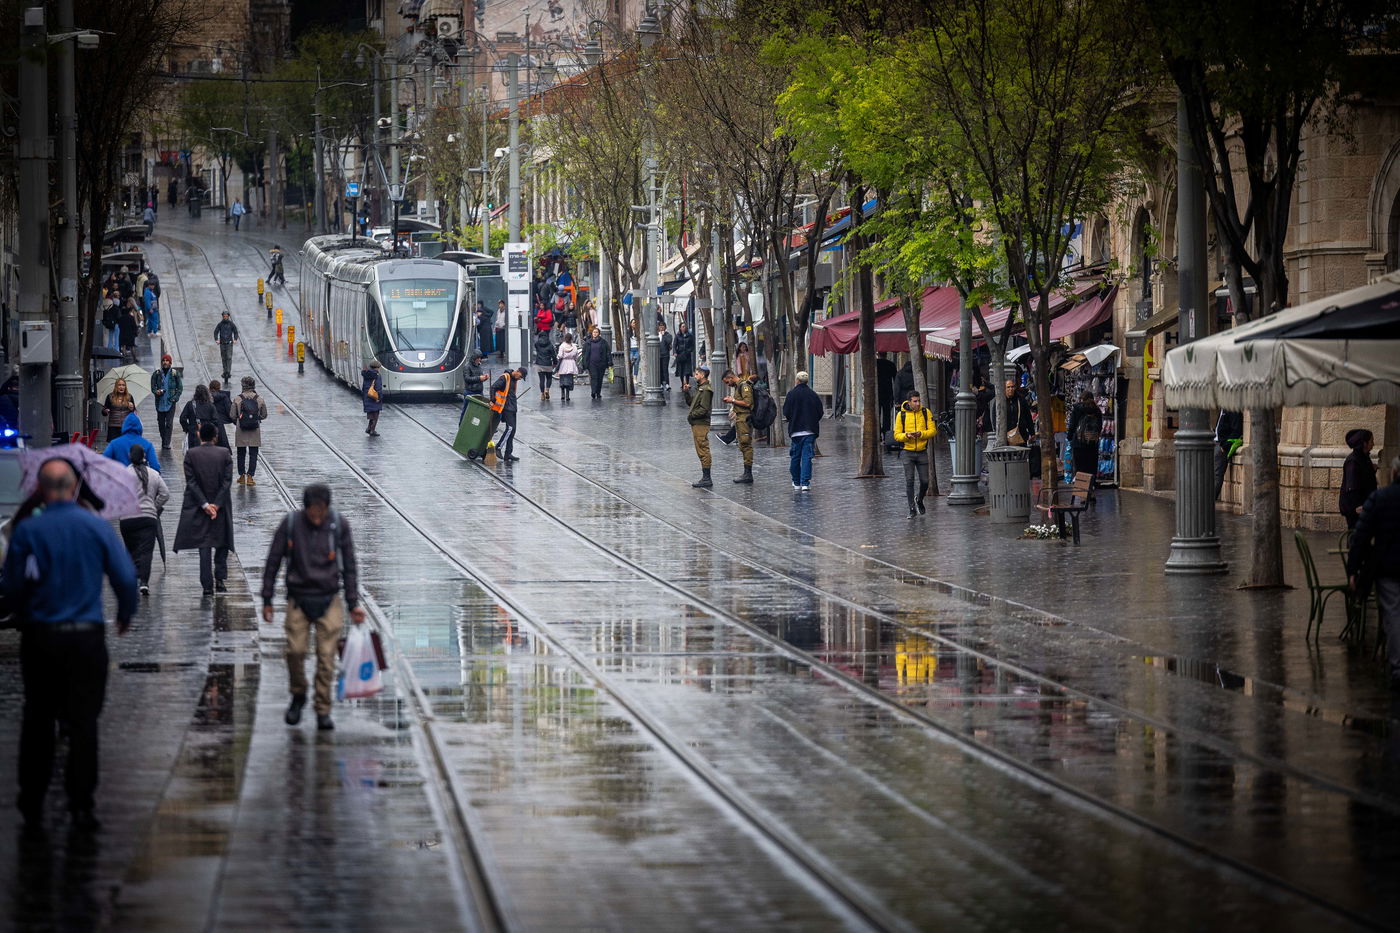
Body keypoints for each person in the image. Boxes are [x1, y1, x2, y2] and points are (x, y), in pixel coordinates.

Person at [3, 458, 139, 831]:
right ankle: (82, 802)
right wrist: (126, 614)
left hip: (41, 637)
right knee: (83, 722)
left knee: (38, 718)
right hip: (86, 637)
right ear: (74, 488)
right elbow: (126, 578)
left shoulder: (28, 530)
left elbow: (12, 588)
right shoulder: (95, 526)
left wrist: (22, 613)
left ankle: (32, 801)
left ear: (43, 489)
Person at [261, 483, 364, 731]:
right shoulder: (291, 525)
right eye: (313, 512)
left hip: (329, 599)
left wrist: (353, 603)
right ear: (305, 508)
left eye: (321, 511)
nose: (317, 517)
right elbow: (273, 561)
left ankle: (322, 708)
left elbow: (349, 566)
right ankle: (299, 694)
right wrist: (267, 599)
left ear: (327, 508)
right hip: (298, 598)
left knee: (326, 658)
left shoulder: (339, 525)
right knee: (295, 652)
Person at [1347, 456, 1400, 690]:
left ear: (1394, 474)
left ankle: (1398, 666)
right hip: (1389, 566)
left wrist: (1353, 570)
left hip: (1389, 567)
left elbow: (1360, 537)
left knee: (1393, 614)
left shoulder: (1380, 498)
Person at [173, 422, 235, 597]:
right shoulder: (224, 454)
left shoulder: (191, 455)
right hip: (221, 507)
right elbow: (227, 481)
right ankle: (220, 580)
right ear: (215, 437)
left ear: (200, 435)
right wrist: (217, 504)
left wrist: (205, 505)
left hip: (199, 508)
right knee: (221, 542)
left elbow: (191, 482)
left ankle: (207, 585)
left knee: (204, 544)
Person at [120, 445, 169, 596]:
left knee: (131, 550)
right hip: (148, 519)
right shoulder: (154, 474)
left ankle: (131, 578)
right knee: (146, 551)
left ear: (130, 456)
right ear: (144, 457)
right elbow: (165, 493)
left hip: (128, 519)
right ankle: (144, 582)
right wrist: (154, 507)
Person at [895, 391, 937, 518]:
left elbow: (933, 431)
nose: (918, 403)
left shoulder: (925, 412)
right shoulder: (901, 415)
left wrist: (921, 434)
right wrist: (907, 436)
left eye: (919, 401)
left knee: (925, 481)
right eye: (915, 401)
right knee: (909, 481)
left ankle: (919, 500)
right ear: (909, 402)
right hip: (907, 452)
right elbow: (896, 435)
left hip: (922, 451)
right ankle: (911, 509)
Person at [783, 371, 823, 491]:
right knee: (807, 457)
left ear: (797, 381)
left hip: (795, 430)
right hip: (810, 431)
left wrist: (792, 419)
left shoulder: (791, 394)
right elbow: (820, 412)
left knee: (795, 457)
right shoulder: (813, 394)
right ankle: (805, 483)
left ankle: (796, 482)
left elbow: (786, 412)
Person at [231, 376, 268, 486]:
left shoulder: (237, 399)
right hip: (254, 430)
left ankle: (242, 476)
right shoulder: (259, 399)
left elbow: (232, 415)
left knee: (241, 453)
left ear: (243, 386)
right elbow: (264, 415)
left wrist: (239, 420)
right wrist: (256, 418)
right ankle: (250, 477)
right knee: (253, 453)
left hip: (241, 429)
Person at [721, 369, 755, 484]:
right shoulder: (737, 386)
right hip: (740, 418)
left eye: (727, 382)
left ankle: (748, 473)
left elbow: (748, 403)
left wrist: (733, 400)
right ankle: (746, 472)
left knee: (746, 444)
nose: (728, 384)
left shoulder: (744, 385)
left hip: (745, 418)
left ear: (731, 377)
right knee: (742, 445)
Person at [1340, 428, 1377, 529]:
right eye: (1371, 441)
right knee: (1355, 536)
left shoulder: (1363, 458)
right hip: (1356, 508)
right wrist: (1356, 506)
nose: (1373, 444)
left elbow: (1363, 477)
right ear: (1364, 443)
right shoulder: (1353, 461)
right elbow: (1352, 486)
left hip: (1364, 505)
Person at [1065, 391, 1103, 487]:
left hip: (1079, 443)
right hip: (1092, 444)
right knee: (1091, 467)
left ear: (1082, 399)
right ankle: (1091, 489)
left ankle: (1082, 491)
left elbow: (1072, 425)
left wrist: (1069, 437)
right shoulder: (1097, 410)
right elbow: (1100, 427)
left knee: (1080, 468)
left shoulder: (1077, 409)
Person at [491, 366, 527, 462]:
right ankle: (498, 447)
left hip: (512, 408)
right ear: (517, 372)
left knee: (513, 430)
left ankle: (508, 453)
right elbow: (493, 387)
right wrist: (492, 399)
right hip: (506, 408)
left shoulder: (514, 380)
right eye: (521, 376)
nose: (520, 379)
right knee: (510, 428)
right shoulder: (505, 377)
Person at [689, 366, 716, 488]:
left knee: (703, 449)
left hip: (701, 423)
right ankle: (705, 477)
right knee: (700, 449)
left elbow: (704, 409)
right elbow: (691, 403)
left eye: (697, 374)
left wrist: (692, 415)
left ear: (703, 375)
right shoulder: (700, 389)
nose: (695, 376)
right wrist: (686, 392)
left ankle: (707, 478)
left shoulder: (705, 390)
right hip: (697, 423)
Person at [151, 354, 183, 449]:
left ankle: (167, 442)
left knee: (169, 423)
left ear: (170, 362)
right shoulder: (156, 374)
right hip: (160, 402)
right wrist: (156, 392)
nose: (165, 362)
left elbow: (180, 388)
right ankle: (163, 439)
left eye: (167, 360)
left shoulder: (175, 374)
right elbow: (153, 387)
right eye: (163, 360)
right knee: (161, 423)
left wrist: (175, 398)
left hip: (170, 402)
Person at [178, 383, 220, 451]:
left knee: (194, 454)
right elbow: (215, 421)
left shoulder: (190, 404)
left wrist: (187, 428)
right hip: (207, 435)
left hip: (193, 433)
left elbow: (182, 418)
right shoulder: (211, 406)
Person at [1213, 409, 1244, 501]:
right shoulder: (1223, 409)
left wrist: (1225, 446)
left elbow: (1237, 431)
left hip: (1221, 446)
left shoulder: (1232, 409)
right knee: (1210, 474)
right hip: (1215, 443)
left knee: (1217, 474)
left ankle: (1210, 501)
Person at [997, 379, 1033, 446]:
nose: (1010, 389)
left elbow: (1028, 417)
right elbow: (995, 417)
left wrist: (1032, 433)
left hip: (1020, 434)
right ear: (1004, 389)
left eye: (1012, 387)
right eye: (1008, 387)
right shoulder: (1000, 401)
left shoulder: (1021, 400)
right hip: (1005, 436)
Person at [101, 378, 137, 443]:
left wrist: (132, 408)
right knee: (114, 447)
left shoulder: (129, 397)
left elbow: (135, 413)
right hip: (113, 426)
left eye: (123, 385)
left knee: (125, 447)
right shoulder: (110, 396)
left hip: (126, 426)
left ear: (125, 387)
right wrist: (106, 411)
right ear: (116, 386)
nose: (121, 387)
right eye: (119, 385)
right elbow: (103, 411)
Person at [460, 351, 490, 420]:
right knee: (466, 411)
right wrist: (479, 378)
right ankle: (462, 425)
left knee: (481, 411)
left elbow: (479, 378)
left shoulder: (478, 366)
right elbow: (467, 379)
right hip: (470, 392)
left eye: (480, 358)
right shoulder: (467, 366)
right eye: (478, 358)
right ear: (474, 358)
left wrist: (484, 378)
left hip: (479, 391)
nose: (480, 359)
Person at [583, 325, 610, 399]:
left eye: (596, 332)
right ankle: (593, 391)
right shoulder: (588, 343)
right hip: (592, 364)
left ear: (599, 333)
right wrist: (584, 363)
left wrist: (609, 362)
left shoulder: (603, 342)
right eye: (594, 332)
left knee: (600, 378)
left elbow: (608, 352)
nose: (595, 333)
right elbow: (584, 353)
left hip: (601, 363)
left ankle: (598, 393)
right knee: (594, 377)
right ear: (592, 333)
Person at [213, 311, 239, 382]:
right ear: (222, 317)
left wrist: (235, 339)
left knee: (229, 357)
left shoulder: (231, 324)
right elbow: (216, 332)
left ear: (228, 317)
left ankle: (228, 371)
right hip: (222, 344)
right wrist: (216, 340)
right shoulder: (220, 324)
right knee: (224, 358)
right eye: (224, 316)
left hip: (229, 343)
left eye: (226, 316)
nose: (225, 318)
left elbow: (236, 332)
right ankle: (225, 371)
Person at [876, 352, 897, 436]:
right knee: (887, 415)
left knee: (876, 414)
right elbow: (896, 379)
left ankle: (877, 434)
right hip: (888, 392)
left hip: (876, 392)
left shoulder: (874, 364)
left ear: (878, 354)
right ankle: (886, 434)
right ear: (886, 355)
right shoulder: (891, 364)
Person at [555, 333, 580, 403]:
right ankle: (567, 395)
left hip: (563, 364)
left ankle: (562, 393)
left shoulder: (562, 346)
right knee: (569, 379)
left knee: (562, 379)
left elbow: (560, 355)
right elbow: (576, 356)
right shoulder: (574, 347)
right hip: (571, 364)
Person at [209, 378, 234, 448]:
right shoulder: (224, 396)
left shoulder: (205, 397)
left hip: (207, 422)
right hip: (220, 422)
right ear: (219, 387)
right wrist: (235, 421)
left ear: (209, 387)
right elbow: (229, 410)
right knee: (221, 442)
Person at [362, 361, 384, 435]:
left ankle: (369, 428)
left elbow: (364, 386)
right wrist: (379, 397)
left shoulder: (366, 374)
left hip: (367, 396)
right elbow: (378, 387)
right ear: (377, 368)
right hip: (374, 397)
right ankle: (372, 430)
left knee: (371, 413)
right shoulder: (377, 375)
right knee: (375, 414)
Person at [534, 328, 557, 400]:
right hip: (548, 364)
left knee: (541, 380)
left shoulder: (537, 344)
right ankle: (547, 390)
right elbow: (553, 355)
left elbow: (537, 350)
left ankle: (542, 394)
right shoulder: (550, 344)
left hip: (539, 364)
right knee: (549, 378)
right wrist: (555, 363)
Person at [673, 319, 695, 386]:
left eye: (685, 326)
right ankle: (682, 383)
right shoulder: (678, 336)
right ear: (680, 328)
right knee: (681, 370)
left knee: (687, 370)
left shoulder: (690, 335)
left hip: (687, 355)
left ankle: (687, 383)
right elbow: (674, 345)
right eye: (682, 326)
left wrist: (689, 350)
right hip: (680, 354)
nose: (684, 328)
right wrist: (675, 352)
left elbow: (692, 345)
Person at [657, 322, 673, 392]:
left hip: (665, 355)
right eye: (660, 326)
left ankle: (667, 384)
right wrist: (660, 335)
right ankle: (660, 383)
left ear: (665, 327)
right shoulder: (657, 335)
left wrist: (663, 335)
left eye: (663, 326)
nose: (661, 327)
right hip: (658, 355)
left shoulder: (668, 335)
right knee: (659, 369)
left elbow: (669, 342)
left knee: (665, 369)